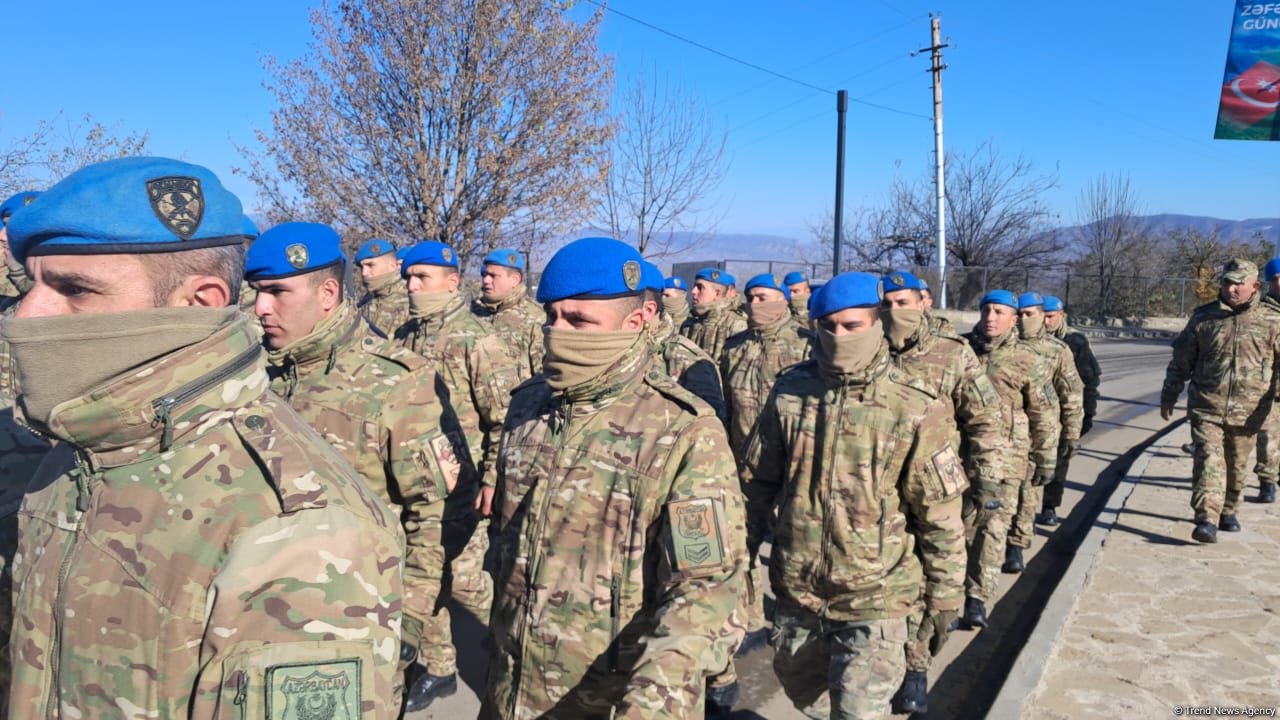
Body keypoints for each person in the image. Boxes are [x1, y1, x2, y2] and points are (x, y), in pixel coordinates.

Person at [1, 156, 404, 716]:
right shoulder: (76, 449)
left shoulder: (296, 527)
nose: (25, 317)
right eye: (33, 284)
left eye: (75, 289)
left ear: (200, 303)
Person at [483, 237, 746, 718]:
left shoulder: (684, 432)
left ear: (638, 320)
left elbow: (704, 590)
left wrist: (653, 703)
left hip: (610, 697)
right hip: (508, 687)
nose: (557, 332)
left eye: (578, 321)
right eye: (551, 317)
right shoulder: (528, 406)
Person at [245, 221, 476, 712]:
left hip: (361, 620)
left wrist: (410, 616)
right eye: (257, 293)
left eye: (276, 292)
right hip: (260, 615)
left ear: (327, 293)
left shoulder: (395, 383)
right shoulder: (259, 376)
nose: (262, 307)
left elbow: (441, 512)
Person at [742, 271, 966, 720]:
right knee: (807, 694)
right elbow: (755, 486)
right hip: (799, 590)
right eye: (830, 327)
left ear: (877, 323)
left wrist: (945, 596)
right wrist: (736, 560)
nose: (839, 337)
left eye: (852, 326)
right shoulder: (791, 391)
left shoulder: (916, 404)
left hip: (878, 596)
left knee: (859, 712)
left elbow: (939, 515)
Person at [394, 240, 520, 701]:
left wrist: (491, 479)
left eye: (422, 278)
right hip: (414, 485)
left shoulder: (476, 339)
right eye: (408, 278)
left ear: (451, 282)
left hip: (461, 487)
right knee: (422, 582)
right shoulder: (406, 334)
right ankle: (441, 666)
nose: (412, 286)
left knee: (465, 583)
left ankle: (515, 645)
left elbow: (505, 419)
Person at [879, 271, 1006, 714]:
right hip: (878, 487)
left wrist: (989, 479)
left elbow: (986, 420)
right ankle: (883, 660)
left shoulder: (954, 354)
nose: (895, 312)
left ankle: (917, 664)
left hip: (937, 486)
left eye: (904, 302)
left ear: (925, 301)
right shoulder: (870, 347)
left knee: (937, 580)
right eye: (888, 303)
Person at [1162, 258, 1280, 543]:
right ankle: (1206, 519)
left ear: (1255, 286)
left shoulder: (1272, 320)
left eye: (1240, 283)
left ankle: (1228, 510)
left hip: (1251, 412)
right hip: (1207, 406)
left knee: (1236, 466)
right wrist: (1170, 391)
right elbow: (1182, 360)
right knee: (1208, 461)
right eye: (1228, 282)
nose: (1233, 289)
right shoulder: (1204, 318)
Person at [961, 290, 1059, 629]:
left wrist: (1046, 458)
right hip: (957, 456)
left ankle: (977, 598)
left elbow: (1045, 413)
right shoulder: (961, 352)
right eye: (986, 309)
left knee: (993, 526)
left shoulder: (1027, 359)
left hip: (1007, 458)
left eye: (999, 311)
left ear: (1014, 319)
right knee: (957, 527)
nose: (991, 317)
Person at [1006, 292, 1082, 570]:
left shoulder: (1057, 350)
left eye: (1031, 315)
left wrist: (1072, 434)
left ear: (1041, 315)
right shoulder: (1001, 346)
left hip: (1040, 432)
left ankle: (1016, 545)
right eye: (1021, 315)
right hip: (1002, 433)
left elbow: (1072, 394)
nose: (1025, 321)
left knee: (1029, 491)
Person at [1039, 294, 1102, 524]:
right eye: (1041, 316)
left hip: (1065, 412)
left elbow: (1089, 380)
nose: (1045, 322)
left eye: (1050, 317)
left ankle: (1049, 506)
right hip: (1037, 412)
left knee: (1059, 460)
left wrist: (1088, 414)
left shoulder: (1075, 341)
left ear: (1061, 316)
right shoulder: (1027, 339)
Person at [641, 264, 727, 422]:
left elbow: (710, 424)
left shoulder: (687, 357)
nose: (694, 292)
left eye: (700, 287)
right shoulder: (691, 324)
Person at [471, 247, 544, 382]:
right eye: (484, 274)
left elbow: (543, 377)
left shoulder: (535, 319)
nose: (486, 280)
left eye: (493, 276)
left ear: (515, 280)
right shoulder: (474, 313)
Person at [1253, 258, 1280, 504]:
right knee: (1268, 438)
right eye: (1277, 278)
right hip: (1270, 388)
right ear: (1269, 282)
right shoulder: (1262, 313)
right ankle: (1267, 482)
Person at [682, 267, 747, 361]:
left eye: (700, 287)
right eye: (694, 287)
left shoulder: (736, 323)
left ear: (717, 293)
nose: (693, 291)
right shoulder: (690, 321)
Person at [354, 237, 410, 336]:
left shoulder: (411, 299)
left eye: (371, 265)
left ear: (392, 266)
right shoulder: (366, 301)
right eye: (361, 267)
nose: (364, 273)